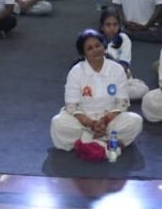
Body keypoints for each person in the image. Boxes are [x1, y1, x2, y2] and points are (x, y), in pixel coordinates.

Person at [49, 29, 144, 161]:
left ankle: (86, 142)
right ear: (84, 54)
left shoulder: (116, 69)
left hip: (110, 119)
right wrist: (91, 123)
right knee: (58, 124)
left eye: (98, 46)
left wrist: (104, 121)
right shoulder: (76, 72)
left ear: (103, 46)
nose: (95, 50)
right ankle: (106, 142)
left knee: (135, 121)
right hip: (82, 120)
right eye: (89, 48)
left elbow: (122, 104)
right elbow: (71, 106)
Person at [99, 9, 149, 100]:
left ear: (119, 26)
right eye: (108, 25)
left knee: (142, 90)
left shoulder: (124, 39)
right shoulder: (95, 40)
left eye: (115, 24)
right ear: (102, 27)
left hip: (120, 79)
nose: (112, 28)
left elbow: (123, 67)